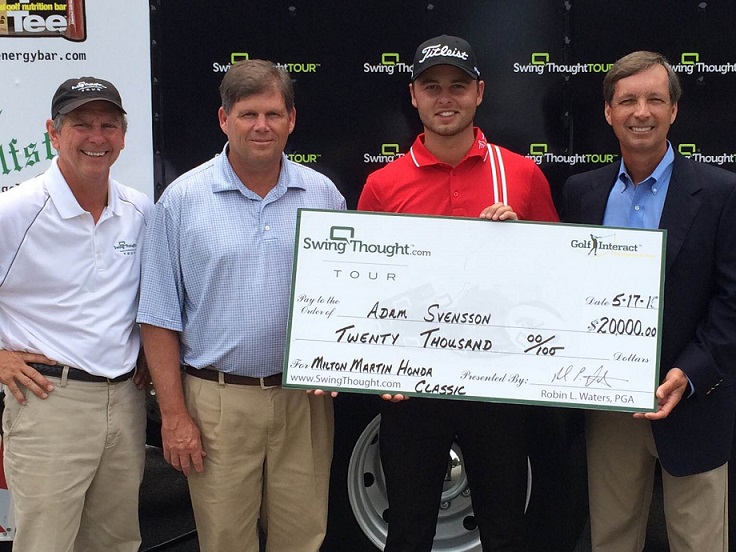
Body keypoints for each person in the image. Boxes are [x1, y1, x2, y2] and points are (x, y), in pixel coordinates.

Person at [357, 35, 559, 551]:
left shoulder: (519, 174)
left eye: (458, 86)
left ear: (479, 93)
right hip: (412, 386)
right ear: (413, 96)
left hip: (497, 381)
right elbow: (364, 287)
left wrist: (519, 241)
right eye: (432, 87)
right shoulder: (383, 184)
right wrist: (376, 367)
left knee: (505, 529)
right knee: (408, 530)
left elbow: (553, 277)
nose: (445, 98)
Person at [137, 59, 346, 552]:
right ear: (224, 119)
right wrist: (173, 415)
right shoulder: (182, 200)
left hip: (304, 400)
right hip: (217, 402)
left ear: (291, 120)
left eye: (273, 114)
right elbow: (158, 316)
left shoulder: (323, 195)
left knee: (302, 537)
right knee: (226, 541)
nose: (261, 126)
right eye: (249, 114)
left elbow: (347, 297)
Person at [562, 50, 736, 551]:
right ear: (608, 112)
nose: (642, 112)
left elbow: (731, 301)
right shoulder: (581, 193)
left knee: (699, 543)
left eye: (655, 99)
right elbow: (564, 288)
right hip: (607, 404)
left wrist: (689, 373)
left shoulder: (722, 192)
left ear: (674, 110)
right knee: (611, 539)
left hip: (694, 400)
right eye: (628, 100)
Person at [0, 77, 152, 552]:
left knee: (115, 543)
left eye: (109, 125)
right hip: (49, 402)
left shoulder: (139, 210)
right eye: (81, 124)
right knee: (45, 544)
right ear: (53, 132)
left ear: (123, 135)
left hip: (125, 402)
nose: (97, 137)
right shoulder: (15, 211)